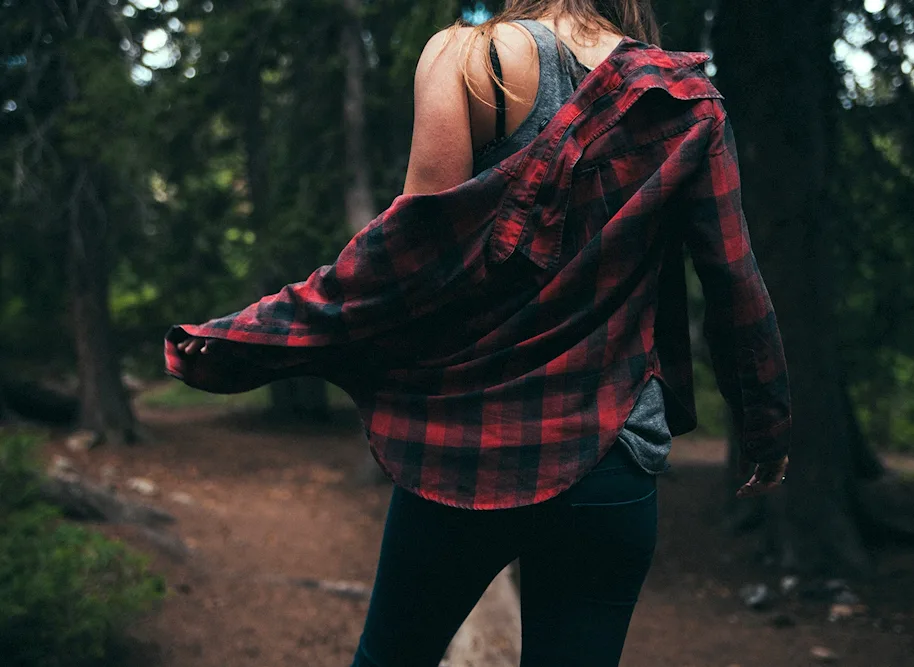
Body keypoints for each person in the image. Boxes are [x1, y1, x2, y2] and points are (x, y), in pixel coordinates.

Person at [168, 1, 791, 664]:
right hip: (613, 455)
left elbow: (403, 272)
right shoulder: (688, 100)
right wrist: (765, 423)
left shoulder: (470, 60)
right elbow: (733, 278)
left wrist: (247, 338)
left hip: (467, 446)